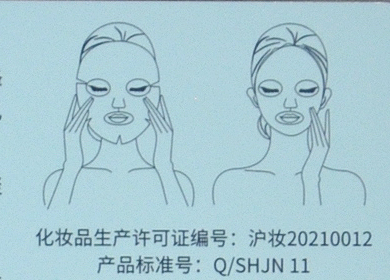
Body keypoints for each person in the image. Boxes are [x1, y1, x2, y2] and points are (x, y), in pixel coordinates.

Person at [211, 24, 365, 206]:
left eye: (306, 90)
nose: (290, 103)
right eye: (271, 90)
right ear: (254, 97)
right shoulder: (231, 185)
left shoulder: (348, 186)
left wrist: (311, 179)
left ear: (324, 98)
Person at [43, 23, 194, 207]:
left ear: (156, 95)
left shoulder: (178, 183)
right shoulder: (59, 182)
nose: (118, 103)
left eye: (138, 89)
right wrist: (72, 165)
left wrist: (164, 165)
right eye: (98, 88)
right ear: (79, 94)